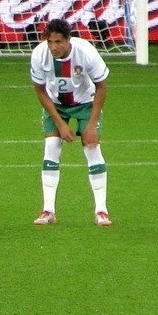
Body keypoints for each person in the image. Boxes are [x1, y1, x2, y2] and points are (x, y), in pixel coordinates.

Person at [30, 18, 111, 226]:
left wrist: (91, 125)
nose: (53, 47)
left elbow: (102, 86)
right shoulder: (40, 55)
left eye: (58, 42)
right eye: (50, 42)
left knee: (92, 148)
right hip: (55, 103)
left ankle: (101, 211)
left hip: (85, 101)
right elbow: (39, 90)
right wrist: (60, 124)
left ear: (68, 40)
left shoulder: (86, 53)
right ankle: (48, 211)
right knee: (52, 146)